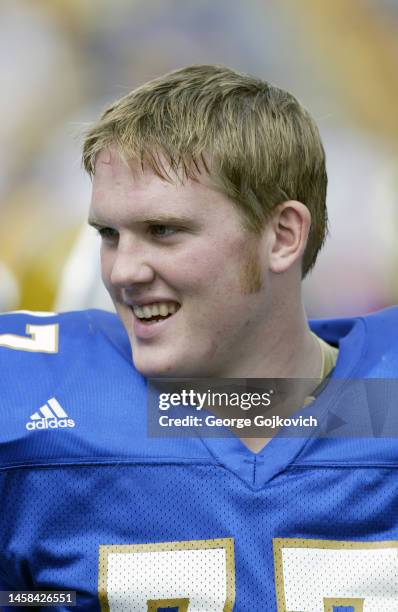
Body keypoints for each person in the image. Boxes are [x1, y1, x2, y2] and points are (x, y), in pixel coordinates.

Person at [0, 65, 397, 611]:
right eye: (110, 235)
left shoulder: (381, 401)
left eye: (164, 231)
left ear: (282, 236)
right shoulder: (41, 396)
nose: (122, 272)